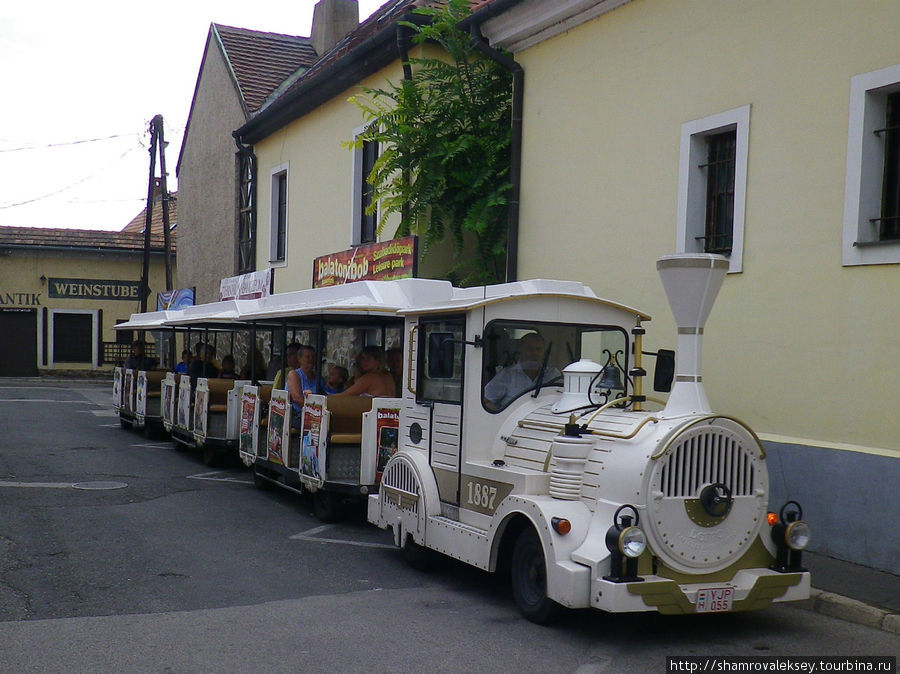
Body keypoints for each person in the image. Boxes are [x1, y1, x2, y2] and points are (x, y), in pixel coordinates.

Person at [483, 332, 560, 410]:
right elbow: (486, 401)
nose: (534, 353)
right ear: (520, 350)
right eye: (530, 348)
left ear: (544, 353)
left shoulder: (553, 375)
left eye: (538, 349)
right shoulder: (507, 375)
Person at [332, 345, 396, 398]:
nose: (364, 362)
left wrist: (325, 399)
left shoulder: (370, 378)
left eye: (368, 359)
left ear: (378, 361)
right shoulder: (388, 375)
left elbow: (345, 395)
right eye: (362, 358)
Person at [287, 345, 324, 428]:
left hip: (315, 414)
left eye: (313, 357)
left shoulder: (318, 378)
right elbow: (297, 398)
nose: (311, 360)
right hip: (297, 414)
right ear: (299, 359)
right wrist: (314, 412)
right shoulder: (294, 374)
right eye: (307, 357)